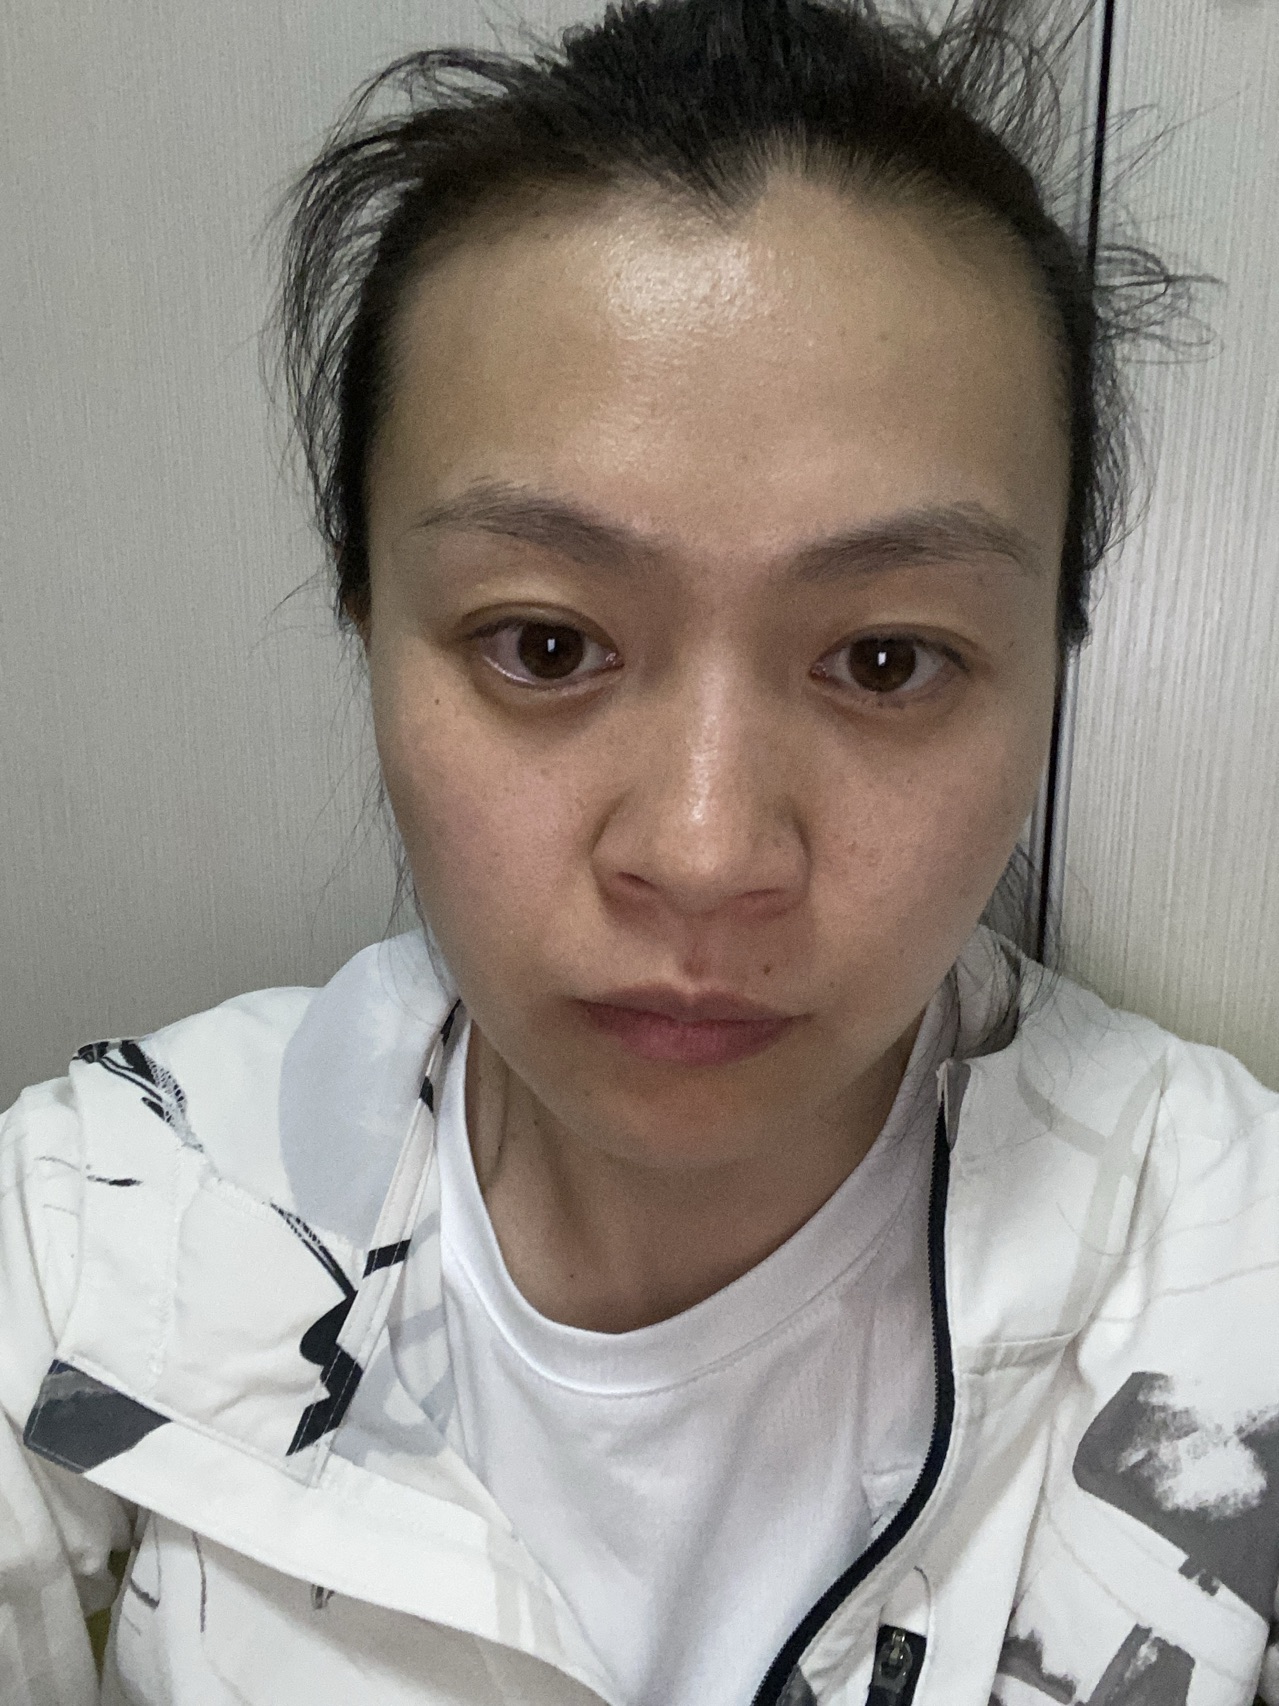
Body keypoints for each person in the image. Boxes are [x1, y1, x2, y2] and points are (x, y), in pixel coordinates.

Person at [2, 0, 1276, 1701]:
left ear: (1052, 661)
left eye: (885, 658)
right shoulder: (99, 1225)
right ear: (367, 618)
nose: (704, 850)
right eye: (546, 644)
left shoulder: (1233, 1293)